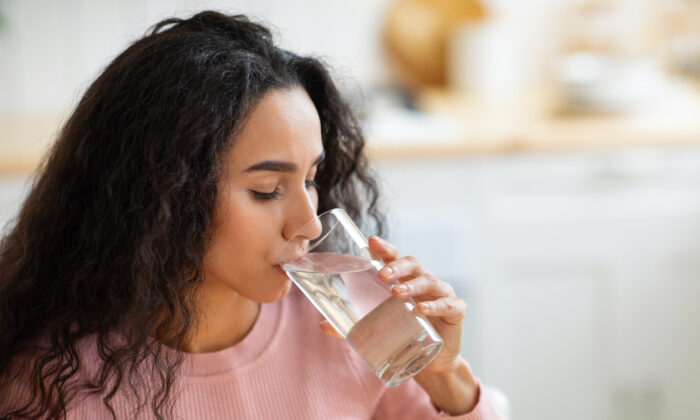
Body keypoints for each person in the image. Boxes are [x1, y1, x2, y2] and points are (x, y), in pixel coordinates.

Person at [0, 11, 505, 420]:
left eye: (310, 178)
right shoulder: (54, 382)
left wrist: (446, 376)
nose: (309, 224)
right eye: (267, 190)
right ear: (162, 194)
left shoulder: (357, 327)